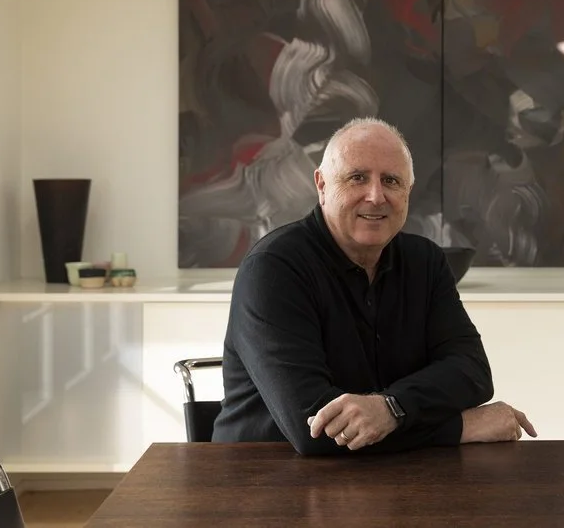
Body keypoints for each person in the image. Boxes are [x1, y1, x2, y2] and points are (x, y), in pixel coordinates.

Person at [212, 117, 537, 454]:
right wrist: (458, 427)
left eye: (392, 181)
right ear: (322, 185)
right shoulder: (273, 268)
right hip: (261, 482)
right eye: (357, 178)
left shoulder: (425, 261)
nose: (376, 196)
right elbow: (315, 431)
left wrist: (391, 409)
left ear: (408, 192)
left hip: (387, 479)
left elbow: (472, 374)